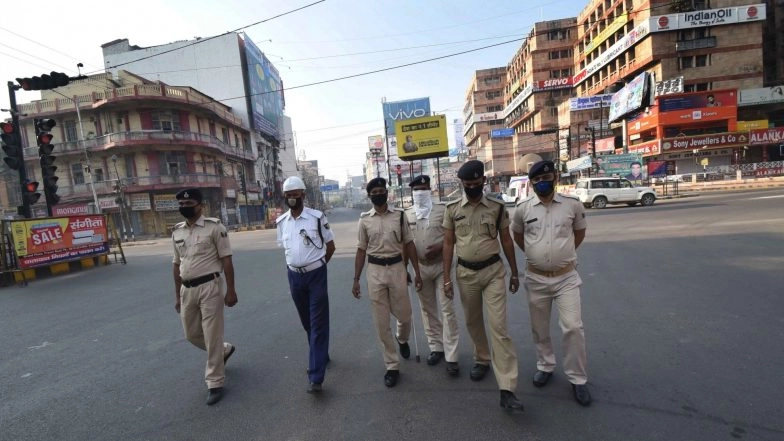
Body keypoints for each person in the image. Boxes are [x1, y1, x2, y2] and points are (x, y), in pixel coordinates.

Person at [442, 160, 525, 411]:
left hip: (492, 272)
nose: (473, 188)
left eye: (477, 184)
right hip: (465, 273)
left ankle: (507, 387)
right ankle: (482, 357)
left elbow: (507, 240)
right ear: (462, 184)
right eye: (468, 185)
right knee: (473, 321)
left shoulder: (497, 208)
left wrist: (514, 272)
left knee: (499, 328)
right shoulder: (453, 209)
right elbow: (448, 244)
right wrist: (446, 277)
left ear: (483, 182)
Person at [510, 160, 592, 407]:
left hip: (566, 277)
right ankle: (545, 364)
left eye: (546, 177)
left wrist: (561, 256)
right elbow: (518, 235)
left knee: (573, 327)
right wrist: (537, 256)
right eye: (537, 179)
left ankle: (577, 378)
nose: (542, 182)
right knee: (539, 327)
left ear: (555, 177)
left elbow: (579, 233)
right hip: (535, 278)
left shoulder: (572, 205)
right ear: (531, 182)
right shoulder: (523, 209)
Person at [353, 177, 423, 387]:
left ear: (387, 192)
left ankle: (402, 339)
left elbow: (409, 244)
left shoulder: (399, 217)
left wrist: (416, 272)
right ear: (369, 196)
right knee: (381, 323)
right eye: (374, 192)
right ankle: (392, 365)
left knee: (405, 315)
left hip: (397, 269)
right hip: (374, 271)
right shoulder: (364, 220)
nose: (378, 195)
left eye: (381, 191)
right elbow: (361, 250)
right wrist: (356, 279)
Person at [171, 188, 238, 406]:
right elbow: (176, 264)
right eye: (181, 205)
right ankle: (224, 350)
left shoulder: (214, 228)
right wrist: (177, 295)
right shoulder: (177, 231)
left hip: (210, 286)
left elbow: (226, 260)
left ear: (200, 205)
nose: (185, 207)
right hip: (187, 289)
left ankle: (215, 382)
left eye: (189, 203)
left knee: (211, 334)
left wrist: (231, 290)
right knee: (191, 334)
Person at [276, 176, 336, 394]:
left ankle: (316, 376)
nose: (292, 198)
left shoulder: (317, 218)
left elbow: (330, 246)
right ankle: (322, 354)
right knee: (307, 322)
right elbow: (286, 250)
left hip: (316, 275)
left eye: (296, 194)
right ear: (285, 197)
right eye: (288, 195)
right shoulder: (281, 222)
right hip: (294, 277)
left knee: (318, 323)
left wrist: (318, 266)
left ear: (303, 195)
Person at [404, 175, 460, 376]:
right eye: (416, 189)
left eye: (423, 188)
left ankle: (452, 356)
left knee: (447, 310)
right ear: (412, 192)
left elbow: (452, 238)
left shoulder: (443, 210)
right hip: (420, 268)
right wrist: (407, 271)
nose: (420, 192)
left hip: (442, 266)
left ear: (430, 189)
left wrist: (439, 247)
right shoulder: (407, 214)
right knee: (427, 311)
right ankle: (436, 347)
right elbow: (405, 244)